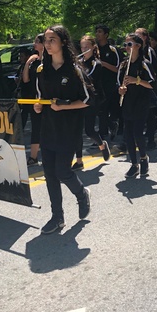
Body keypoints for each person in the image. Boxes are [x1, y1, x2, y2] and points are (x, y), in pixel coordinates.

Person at [33, 25, 92, 234]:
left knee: (62, 171)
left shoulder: (74, 70)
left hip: (69, 128)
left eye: (52, 40)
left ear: (63, 42)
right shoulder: (42, 69)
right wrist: (38, 105)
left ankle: (81, 194)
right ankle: (57, 217)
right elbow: (40, 97)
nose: (47, 44)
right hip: (48, 127)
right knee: (49, 174)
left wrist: (64, 104)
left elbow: (86, 100)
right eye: (45, 40)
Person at [118, 34, 156, 178]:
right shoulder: (123, 64)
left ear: (138, 46)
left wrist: (137, 80)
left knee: (138, 133)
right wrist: (120, 89)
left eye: (130, 44)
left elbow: (152, 83)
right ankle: (134, 164)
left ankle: (143, 158)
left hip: (141, 102)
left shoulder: (144, 63)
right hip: (127, 102)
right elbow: (119, 83)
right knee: (128, 135)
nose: (126, 47)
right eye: (126, 44)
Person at [73, 35, 111, 171]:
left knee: (89, 130)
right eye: (82, 47)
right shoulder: (79, 62)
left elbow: (88, 78)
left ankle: (102, 144)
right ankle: (78, 161)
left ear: (93, 48)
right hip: (78, 99)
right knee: (76, 130)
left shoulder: (97, 64)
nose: (84, 50)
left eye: (87, 47)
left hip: (92, 100)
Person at [95, 24, 120, 140]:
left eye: (100, 32)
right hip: (97, 84)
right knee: (101, 111)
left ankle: (112, 124)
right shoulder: (94, 50)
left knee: (109, 109)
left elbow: (118, 68)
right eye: (96, 32)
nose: (97, 34)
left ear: (106, 34)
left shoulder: (113, 50)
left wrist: (103, 64)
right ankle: (102, 135)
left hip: (110, 84)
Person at [22, 34, 44, 165]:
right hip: (33, 98)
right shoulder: (34, 61)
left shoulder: (49, 60)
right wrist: (28, 63)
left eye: (37, 41)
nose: (34, 43)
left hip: (45, 99)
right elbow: (26, 79)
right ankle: (33, 156)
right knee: (35, 127)